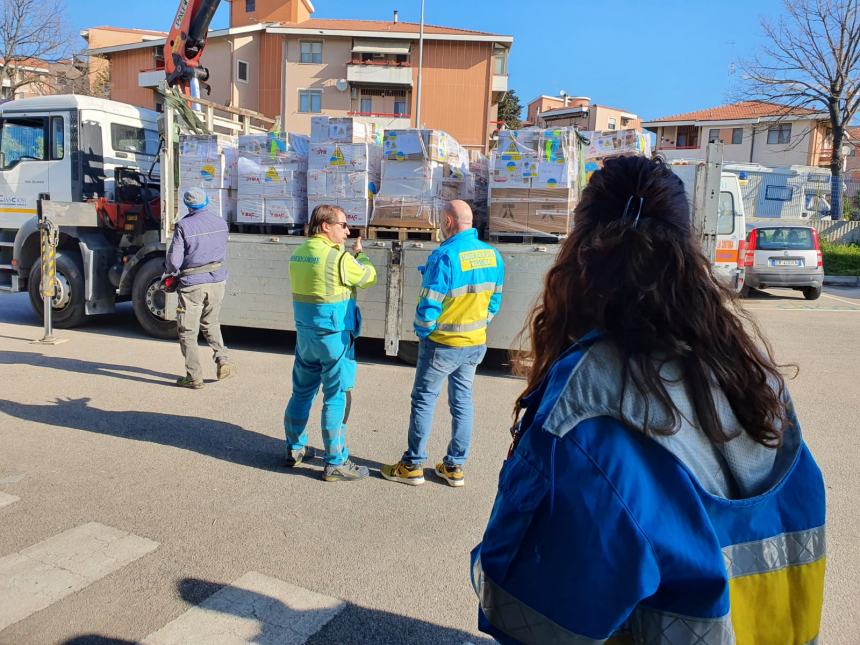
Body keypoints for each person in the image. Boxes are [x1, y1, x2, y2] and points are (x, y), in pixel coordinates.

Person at [471, 156, 826, 643]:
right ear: (689, 250)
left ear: (577, 252)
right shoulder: (755, 381)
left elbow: (526, 610)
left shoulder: (588, 406)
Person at [381, 200, 504, 487]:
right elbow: (495, 299)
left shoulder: (445, 256)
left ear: (448, 221)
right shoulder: (492, 256)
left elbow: (429, 306)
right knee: (462, 402)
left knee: (424, 400)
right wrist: (478, 325)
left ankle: (412, 465)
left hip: (442, 344)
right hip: (474, 343)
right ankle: (454, 467)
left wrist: (424, 333)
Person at [285, 205, 377, 482]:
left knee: (301, 393)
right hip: (334, 338)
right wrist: (361, 255)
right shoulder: (338, 259)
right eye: (344, 225)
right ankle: (336, 460)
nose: (347, 231)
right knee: (336, 396)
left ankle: (295, 447)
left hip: (306, 336)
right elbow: (368, 277)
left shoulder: (298, 253)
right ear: (325, 226)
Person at [166, 187, 233, 389]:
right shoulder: (221, 222)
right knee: (211, 323)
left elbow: (174, 262)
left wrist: (170, 272)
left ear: (188, 205)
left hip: (193, 284)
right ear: (206, 201)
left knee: (188, 331)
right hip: (217, 280)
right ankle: (223, 359)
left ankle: (194, 377)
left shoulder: (184, 226)